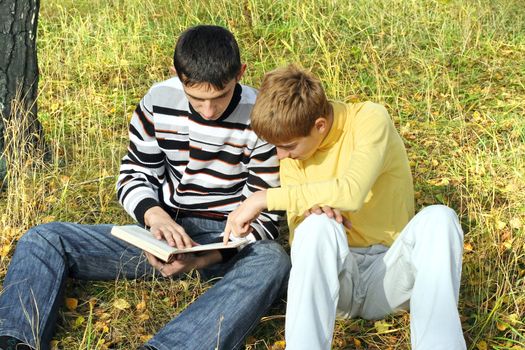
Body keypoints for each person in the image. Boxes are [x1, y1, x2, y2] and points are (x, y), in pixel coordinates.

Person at [0, 25, 290, 350]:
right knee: (44, 238)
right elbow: (134, 174)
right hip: (162, 236)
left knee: (273, 260)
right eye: (197, 98)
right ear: (176, 75)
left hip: (226, 243)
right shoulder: (158, 99)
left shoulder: (262, 115)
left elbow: (266, 216)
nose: (208, 110)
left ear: (241, 73)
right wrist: (155, 217)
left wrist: (201, 259)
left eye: (219, 97)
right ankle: (15, 341)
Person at [224, 65, 466, 350]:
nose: (280, 156)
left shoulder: (370, 119)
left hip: (389, 274)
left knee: (440, 218)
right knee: (316, 226)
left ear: (320, 126)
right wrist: (319, 216)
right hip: (338, 281)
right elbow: (301, 233)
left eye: (288, 146)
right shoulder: (291, 155)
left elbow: (351, 192)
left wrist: (263, 198)